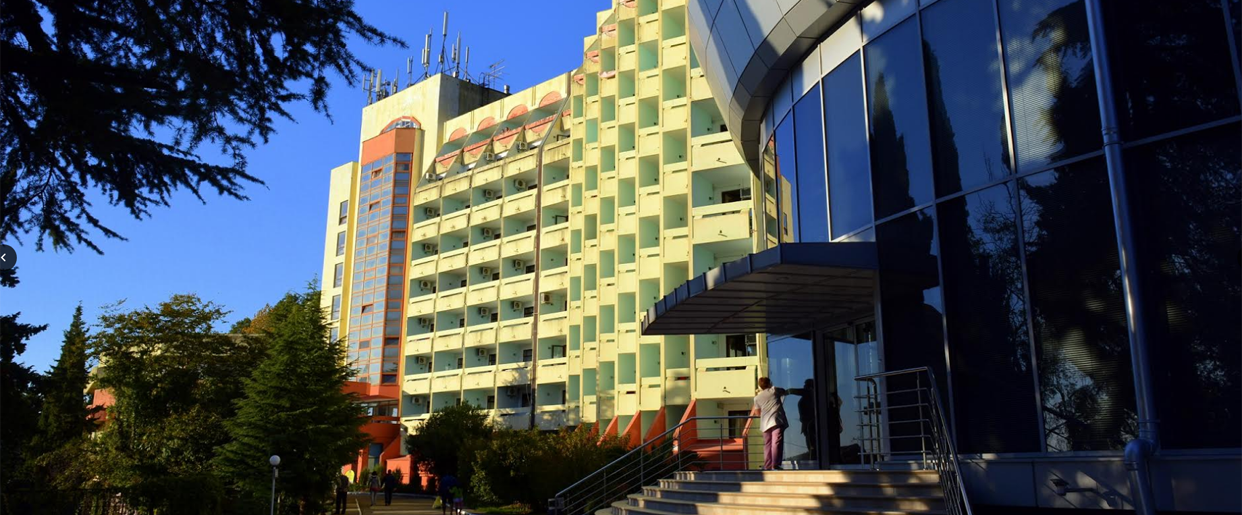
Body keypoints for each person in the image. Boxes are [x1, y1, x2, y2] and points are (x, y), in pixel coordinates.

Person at [752, 376, 789, 470]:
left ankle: (767, 465)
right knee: (776, 443)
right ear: (769, 383)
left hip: (765, 423)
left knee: (767, 444)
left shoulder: (757, 398)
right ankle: (775, 464)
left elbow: (757, 413)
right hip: (776, 420)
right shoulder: (774, 390)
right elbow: (784, 391)